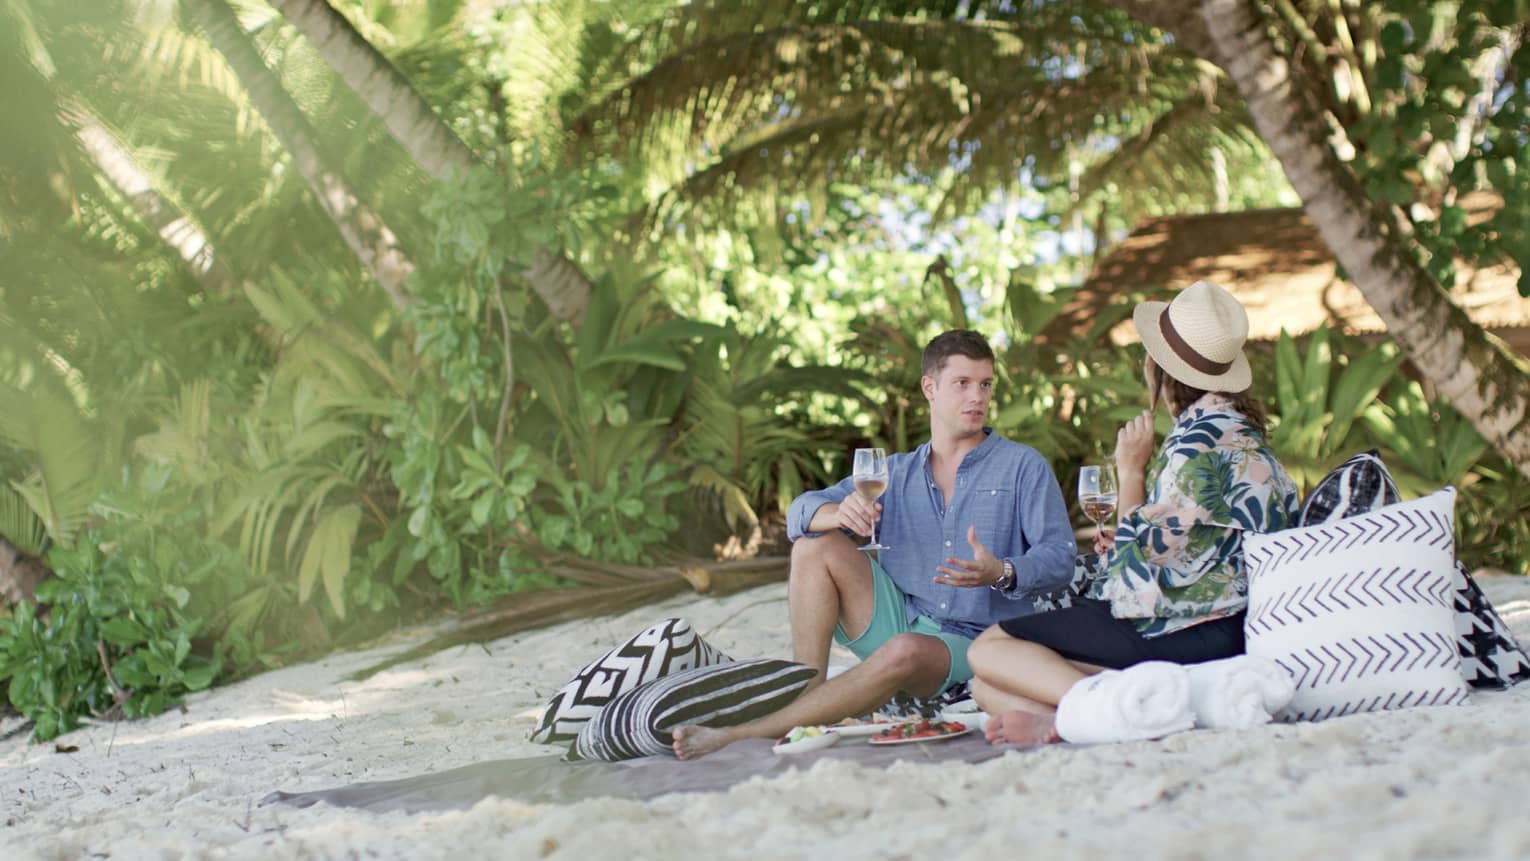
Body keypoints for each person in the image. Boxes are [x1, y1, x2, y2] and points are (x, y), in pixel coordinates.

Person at [672, 329, 1076, 759]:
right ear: (930, 388)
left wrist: (1002, 572)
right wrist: (838, 513)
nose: (976, 396)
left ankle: (744, 732)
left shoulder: (1022, 466)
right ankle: (804, 695)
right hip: (900, 614)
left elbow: (1059, 560)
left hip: (974, 639)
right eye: (962, 383)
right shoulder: (893, 473)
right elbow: (800, 513)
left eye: (985, 384)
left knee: (904, 649)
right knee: (813, 545)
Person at [968, 280, 1300, 745]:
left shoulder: (1192, 447)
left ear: (1158, 369)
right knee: (989, 688)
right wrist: (1129, 529)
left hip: (1192, 629)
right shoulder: (1247, 440)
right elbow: (1185, 549)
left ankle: (1113, 712)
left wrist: (1130, 472)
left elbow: (1129, 586)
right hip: (1226, 624)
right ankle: (1068, 721)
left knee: (990, 650)